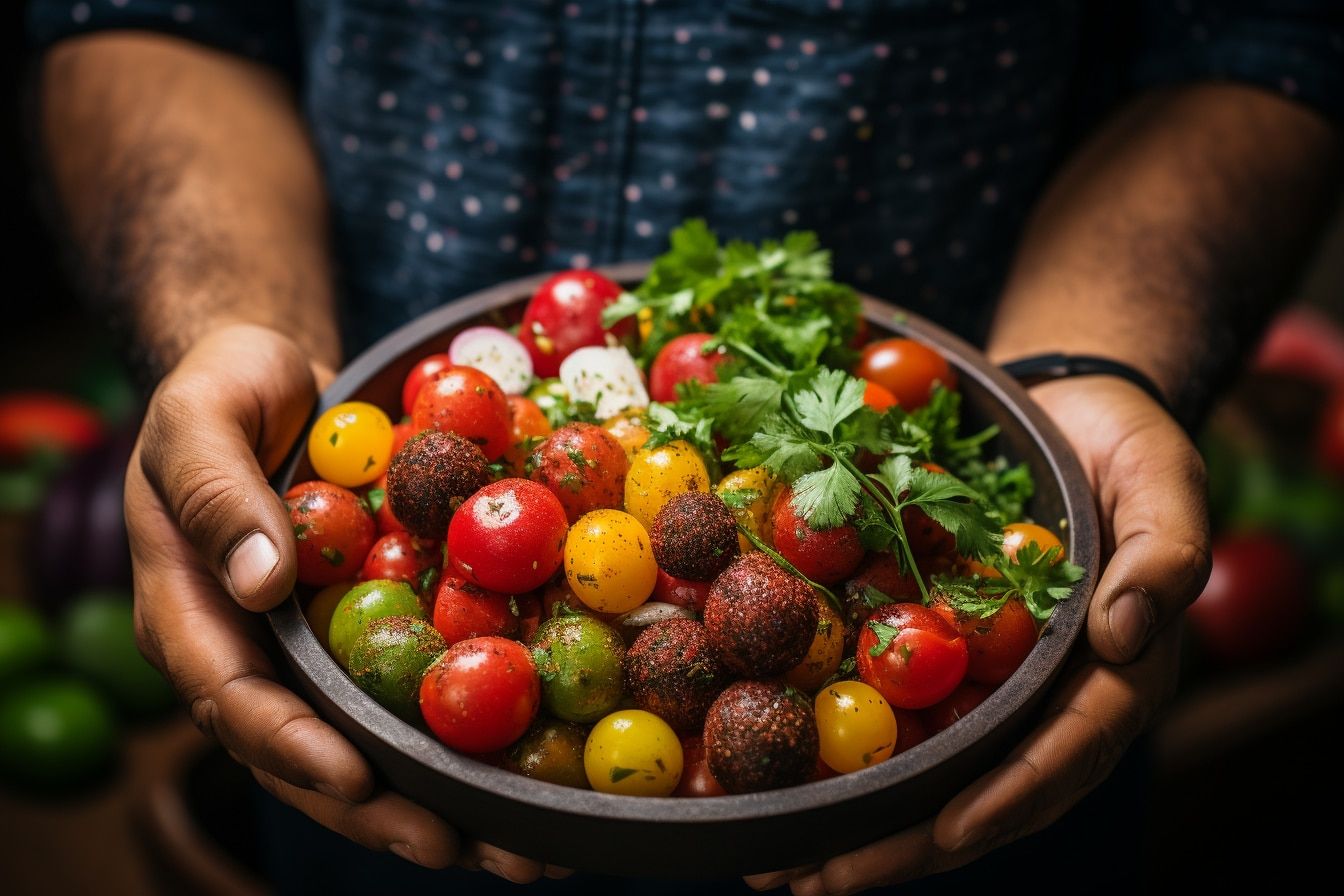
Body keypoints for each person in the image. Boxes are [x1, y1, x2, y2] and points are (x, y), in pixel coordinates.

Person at [28, 2, 1343, 893]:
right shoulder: (473, 550)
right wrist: (231, 332)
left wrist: (1087, 368)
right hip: (380, 758)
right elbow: (146, 17)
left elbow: (1255, 37)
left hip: (954, 775)